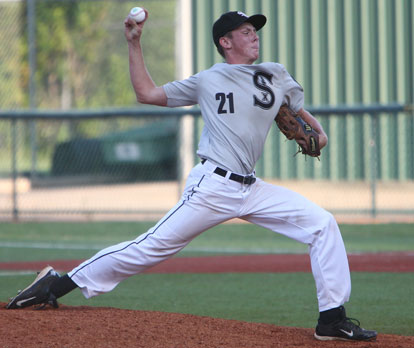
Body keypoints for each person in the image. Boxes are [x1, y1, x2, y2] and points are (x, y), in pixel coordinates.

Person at [6, 10, 377, 342]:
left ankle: (332, 319)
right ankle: (56, 284)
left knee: (322, 224)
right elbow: (146, 93)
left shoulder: (276, 73)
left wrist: (317, 132)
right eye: (245, 31)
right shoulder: (208, 80)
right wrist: (134, 44)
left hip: (252, 187)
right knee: (148, 248)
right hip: (212, 186)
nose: (254, 35)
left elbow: (298, 113)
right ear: (225, 42)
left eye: (255, 30)